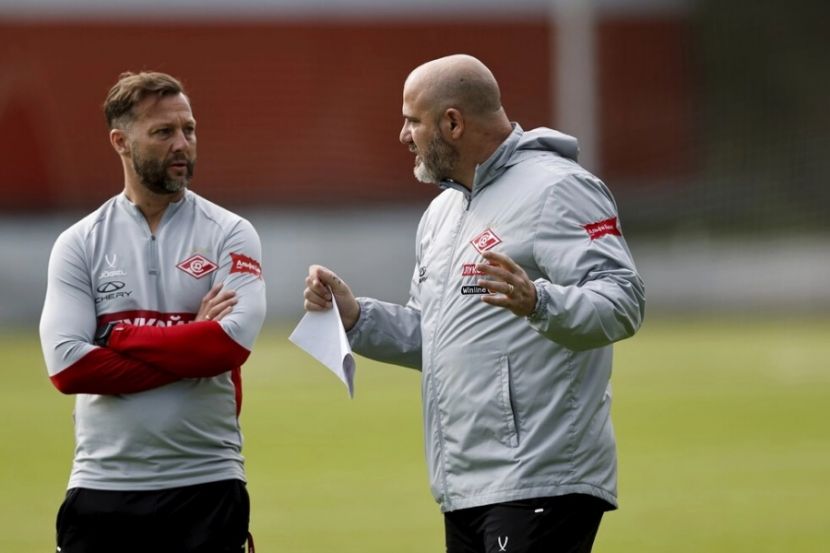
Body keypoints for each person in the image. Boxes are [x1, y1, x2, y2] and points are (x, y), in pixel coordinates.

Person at [303, 54, 645, 553]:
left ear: (452, 123)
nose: (403, 135)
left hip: (542, 478)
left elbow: (623, 299)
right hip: (465, 485)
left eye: (412, 121)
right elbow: (435, 337)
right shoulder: (442, 211)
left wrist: (539, 301)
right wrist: (357, 318)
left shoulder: (559, 188)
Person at [39, 71, 266, 553]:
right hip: (103, 483)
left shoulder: (230, 232)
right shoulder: (80, 243)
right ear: (121, 142)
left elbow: (227, 346)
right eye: (163, 132)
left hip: (207, 482)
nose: (182, 144)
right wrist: (190, 339)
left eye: (189, 129)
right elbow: (68, 368)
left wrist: (118, 337)